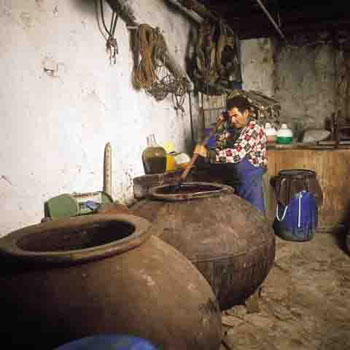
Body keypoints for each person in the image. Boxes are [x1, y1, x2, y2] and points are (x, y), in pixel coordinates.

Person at [195, 95, 267, 213]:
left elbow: (236, 155)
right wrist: (223, 119)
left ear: (246, 113)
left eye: (235, 116)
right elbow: (219, 135)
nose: (233, 120)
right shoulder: (236, 127)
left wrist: (208, 154)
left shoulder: (253, 130)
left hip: (251, 176)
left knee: (255, 213)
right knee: (241, 213)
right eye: (231, 117)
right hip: (239, 176)